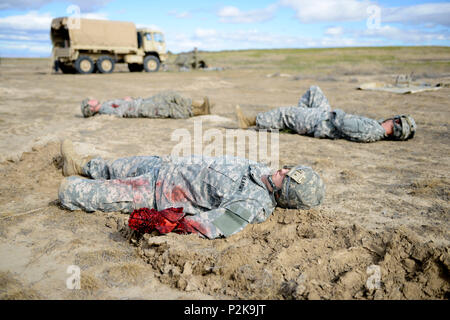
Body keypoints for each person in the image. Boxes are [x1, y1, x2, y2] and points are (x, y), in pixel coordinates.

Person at [58, 140, 325, 239]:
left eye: (288, 179)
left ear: (285, 195)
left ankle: (70, 187)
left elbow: (213, 225)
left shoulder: (253, 204)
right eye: (290, 169)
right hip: (163, 166)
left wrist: (170, 223)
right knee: (111, 167)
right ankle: (81, 166)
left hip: (155, 192)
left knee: (78, 193)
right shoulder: (263, 170)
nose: (284, 171)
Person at [235, 85, 416, 142]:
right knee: (315, 91)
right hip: (325, 118)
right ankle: (296, 121)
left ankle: (251, 121)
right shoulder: (376, 128)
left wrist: (335, 113)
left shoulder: (373, 130)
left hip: (322, 122)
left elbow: (345, 124)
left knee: (285, 112)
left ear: (396, 123)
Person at [81, 90, 211, 119]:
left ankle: (198, 104)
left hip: (142, 102)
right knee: (170, 108)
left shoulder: (104, 104)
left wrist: (127, 99)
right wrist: (127, 102)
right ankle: (199, 111)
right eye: (89, 102)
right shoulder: (104, 109)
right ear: (91, 108)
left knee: (170, 95)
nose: (91, 99)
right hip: (140, 108)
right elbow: (118, 113)